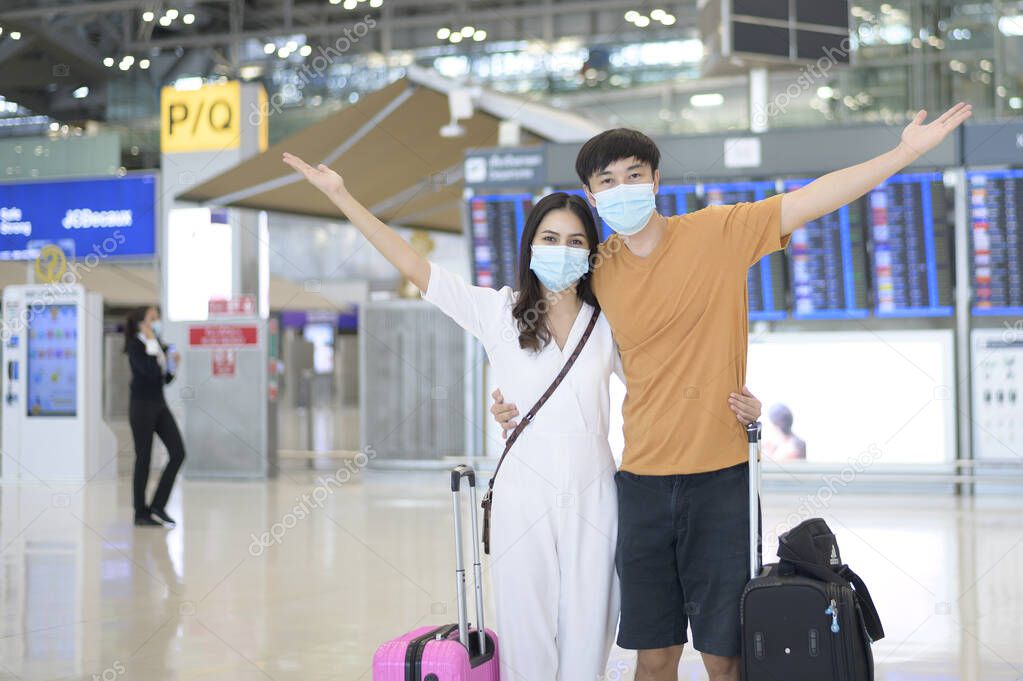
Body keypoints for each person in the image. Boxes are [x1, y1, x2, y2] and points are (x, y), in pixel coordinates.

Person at [492, 103, 972, 681]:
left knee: (726, 654)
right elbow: (549, 335)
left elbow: (813, 198)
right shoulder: (596, 268)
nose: (623, 189)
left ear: (656, 180)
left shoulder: (720, 232)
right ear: (592, 196)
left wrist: (905, 153)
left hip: (723, 477)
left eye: (634, 175)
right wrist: (510, 404)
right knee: (654, 655)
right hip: (640, 483)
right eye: (607, 181)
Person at [281, 151, 762, 681]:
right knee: (526, 641)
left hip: (597, 494)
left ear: (593, 253)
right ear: (531, 246)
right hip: (522, 495)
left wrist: (741, 405)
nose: (563, 250)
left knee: (589, 642)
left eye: (577, 242)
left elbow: (665, 383)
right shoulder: (498, 312)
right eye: (551, 239)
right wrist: (341, 196)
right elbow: (415, 267)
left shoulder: (607, 322)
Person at [124, 306, 185, 528]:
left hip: (159, 404)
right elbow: (148, 372)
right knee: (144, 459)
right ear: (142, 323)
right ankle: (140, 512)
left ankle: (158, 505)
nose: (157, 321)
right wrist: (151, 342)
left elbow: (162, 379)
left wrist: (173, 367)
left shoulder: (156, 345)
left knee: (178, 452)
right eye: (153, 318)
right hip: (141, 407)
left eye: (157, 317)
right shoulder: (136, 346)